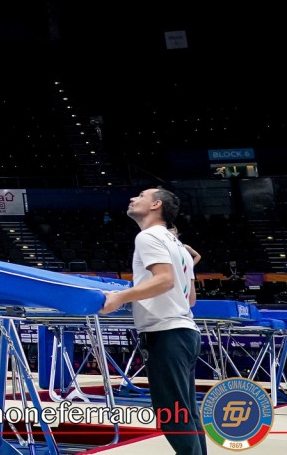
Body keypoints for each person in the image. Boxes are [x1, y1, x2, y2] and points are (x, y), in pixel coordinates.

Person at [100, 188, 200, 455]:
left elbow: (164, 281)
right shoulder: (177, 244)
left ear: (156, 205)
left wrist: (121, 297)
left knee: (172, 415)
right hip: (185, 331)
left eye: (141, 196)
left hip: (166, 333)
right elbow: (190, 299)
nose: (133, 198)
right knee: (186, 413)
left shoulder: (148, 236)